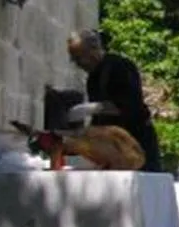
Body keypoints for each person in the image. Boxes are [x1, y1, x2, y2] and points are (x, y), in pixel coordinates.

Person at [66, 29, 163, 173]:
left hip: (137, 142)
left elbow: (129, 107)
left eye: (79, 57)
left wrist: (93, 108)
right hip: (113, 147)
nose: (78, 63)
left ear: (94, 50)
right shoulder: (92, 79)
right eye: (74, 59)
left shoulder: (120, 67)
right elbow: (100, 121)